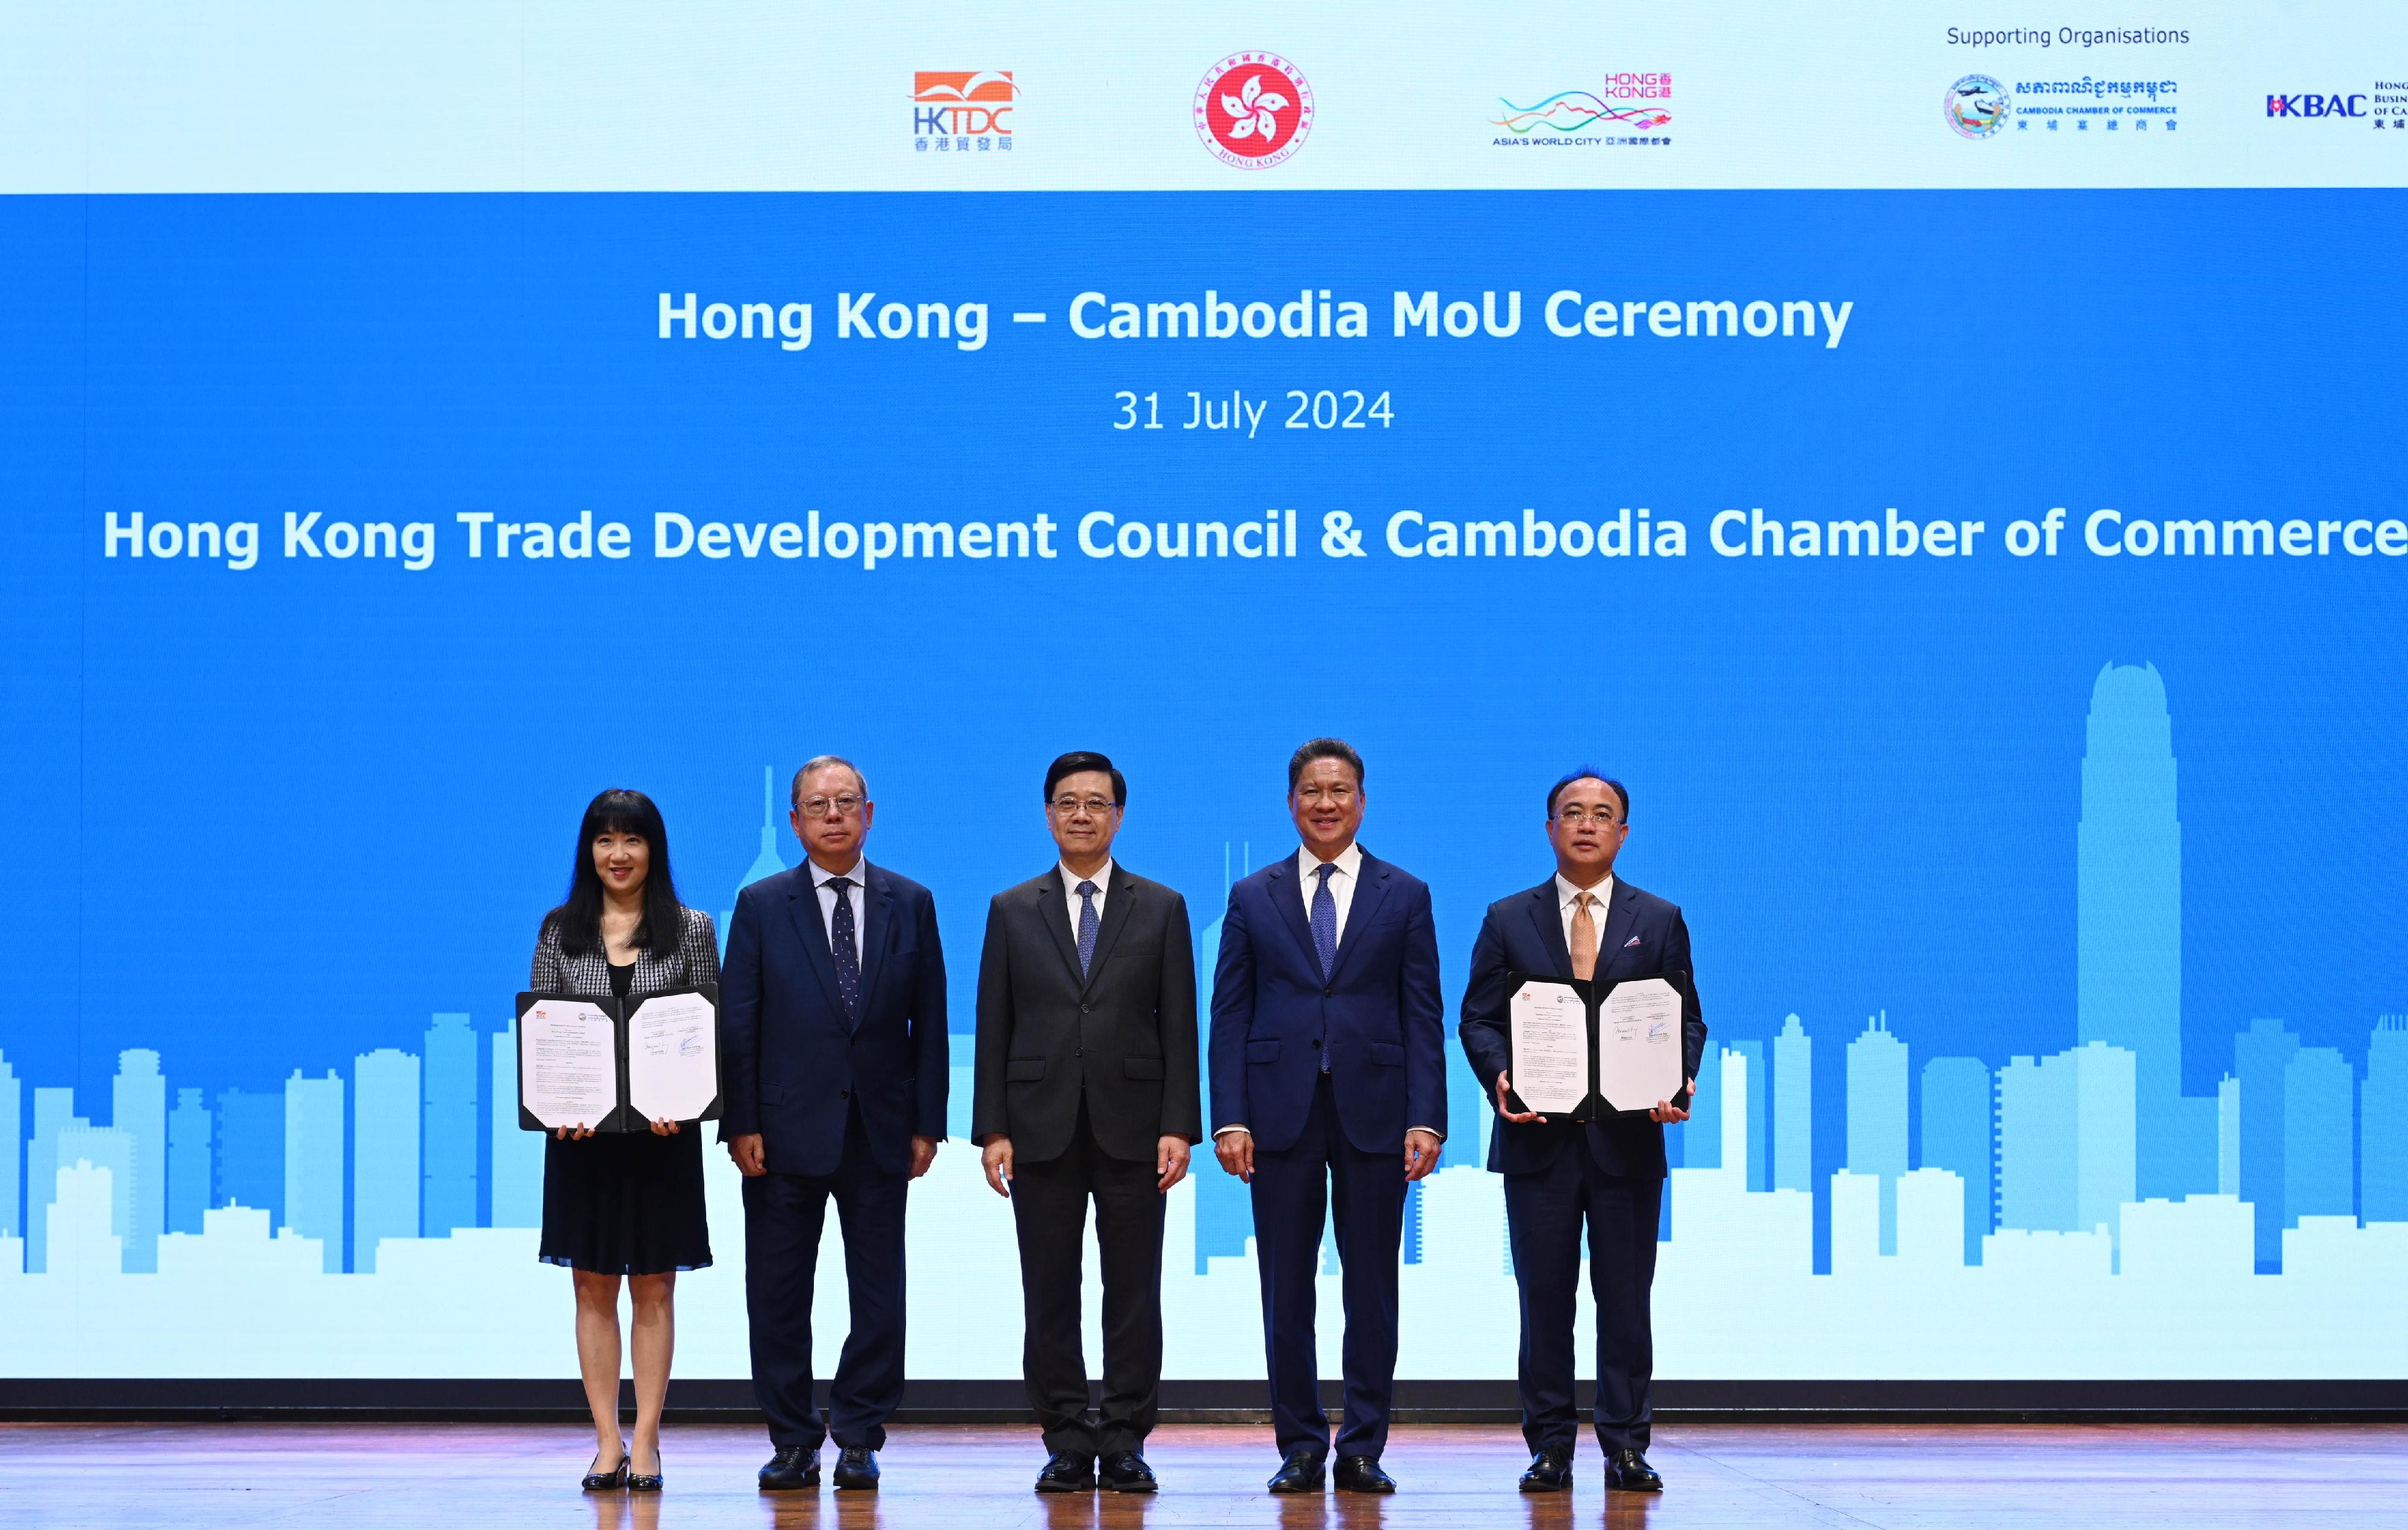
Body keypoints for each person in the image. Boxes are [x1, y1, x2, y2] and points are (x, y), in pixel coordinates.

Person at [1458, 769, 1707, 1495]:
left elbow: (1685, 1016)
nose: (1587, 824)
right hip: (1539, 1141)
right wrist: (1498, 1076)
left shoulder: (1658, 918)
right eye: (1573, 812)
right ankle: (1549, 1448)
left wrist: (1678, 1079)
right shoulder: (1508, 917)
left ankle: (1626, 1444)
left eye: (1603, 814)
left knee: (1626, 1301)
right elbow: (1477, 1017)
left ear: (1624, 833)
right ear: (1550, 829)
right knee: (1544, 1303)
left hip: (1628, 1143)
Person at [1207, 739, 1446, 1494]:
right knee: (1286, 1287)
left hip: (1376, 1112)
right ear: (1291, 803)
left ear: (1362, 802)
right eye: (1312, 790)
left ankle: (1365, 1446)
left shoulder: (1404, 893)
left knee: (1372, 1286)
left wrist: (1428, 1117)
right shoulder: (1253, 894)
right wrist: (1229, 1116)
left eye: (1340, 790)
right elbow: (1230, 1012)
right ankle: (1302, 1445)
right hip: (1277, 1116)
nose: (1325, 802)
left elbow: (1421, 1012)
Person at [973, 751, 1202, 1494]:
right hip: (1037, 1126)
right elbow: (993, 1022)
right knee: (1049, 1290)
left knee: (1133, 1290)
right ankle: (1068, 1436)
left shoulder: (1161, 906)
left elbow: (1179, 1027)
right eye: (1067, 802)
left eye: (1096, 803)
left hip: (1137, 1127)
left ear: (1119, 816)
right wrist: (992, 1128)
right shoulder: (1011, 908)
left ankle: (1127, 1436)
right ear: (1047, 814)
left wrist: (1181, 1124)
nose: (1081, 814)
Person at [720, 755, 949, 1493]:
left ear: (870, 813)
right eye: (816, 805)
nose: (832, 815)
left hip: (882, 1129)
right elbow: (740, 1022)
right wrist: (741, 1121)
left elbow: (932, 1023)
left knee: (878, 1293)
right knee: (778, 1294)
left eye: (845, 801)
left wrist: (928, 1123)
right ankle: (791, 1438)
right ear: (793, 821)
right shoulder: (760, 904)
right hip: (782, 1133)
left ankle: (857, 1432)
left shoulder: (910, 901)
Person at [529, 788, 721, 1494]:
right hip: (581, 1142)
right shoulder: (559, 929)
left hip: (661, 1139)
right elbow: (547, 1031)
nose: (618, 854)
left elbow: (706, 1026)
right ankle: (606, 1440)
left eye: (632, 840)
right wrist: (557, 1105)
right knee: (591, 1287)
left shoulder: (692, 928)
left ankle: (648, 1440)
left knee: (655, 1289)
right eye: (605, 840)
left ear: (653, 850)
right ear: (589, 850)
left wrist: (689, 1100)